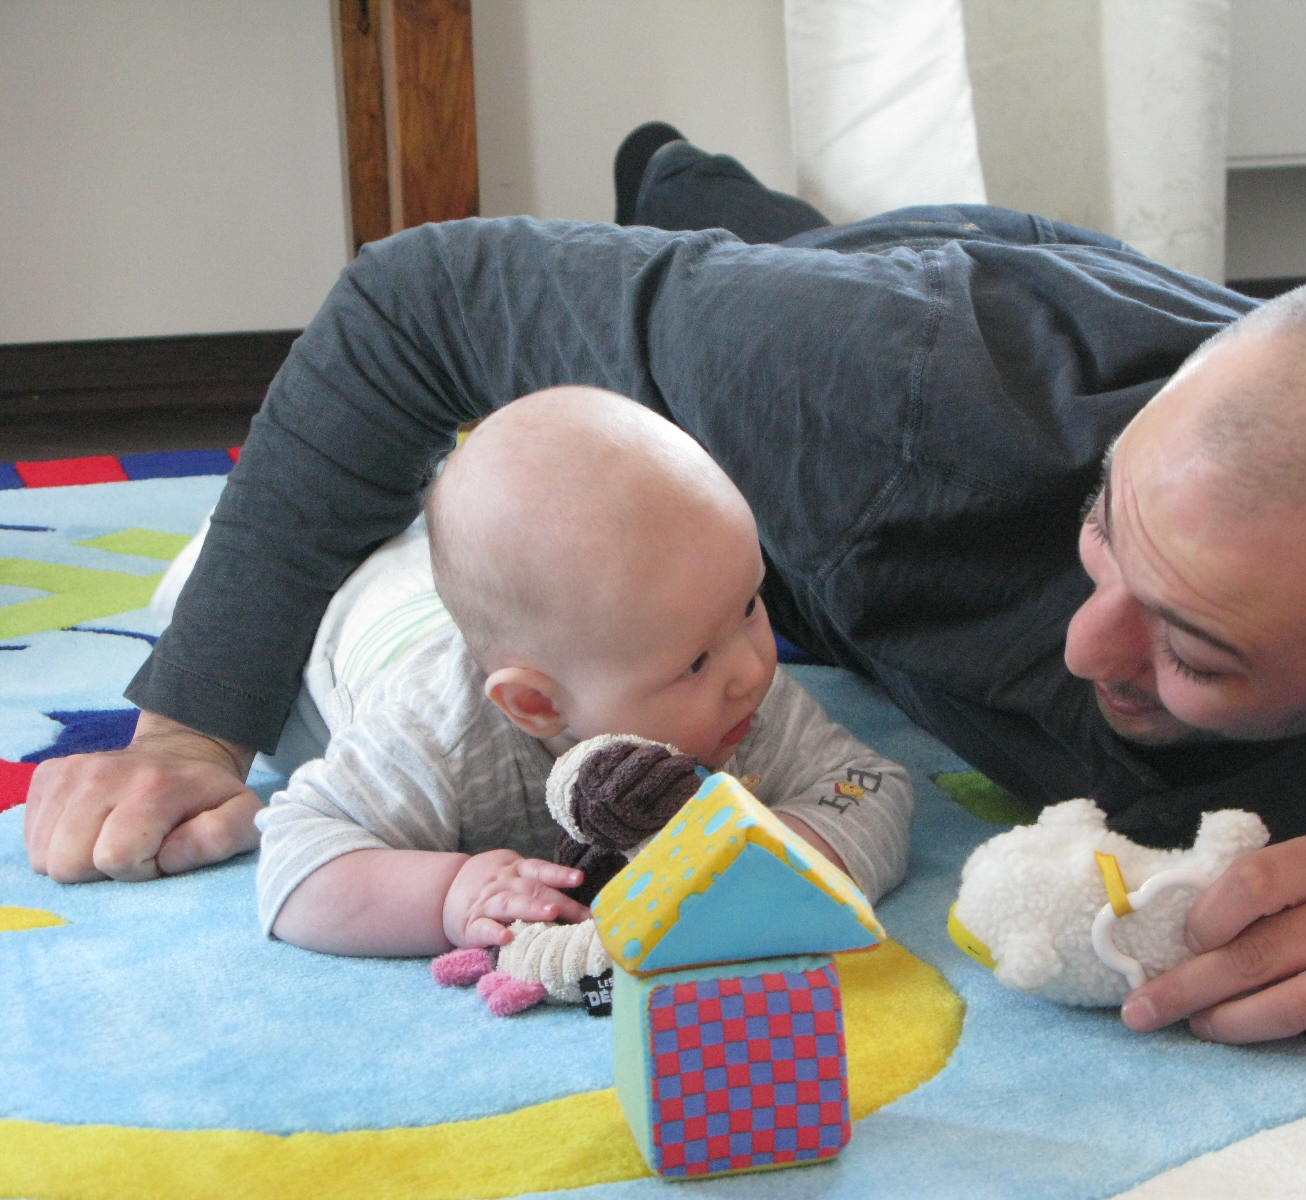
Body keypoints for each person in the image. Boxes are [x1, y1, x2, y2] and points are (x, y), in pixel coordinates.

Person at [24, 128, 1306, 1039]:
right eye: (1107, 533)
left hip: (919, 397)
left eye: (1192, 644)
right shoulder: (901, 399)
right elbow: (416, 304)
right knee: (785, 291)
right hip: (922, 338)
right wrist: (191, 728)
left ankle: (709, 196)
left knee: (785, 280)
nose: (1084, 639)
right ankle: (687, 187)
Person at [231, 385, 912, 955]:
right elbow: (297, 858)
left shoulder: (731, 686)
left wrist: (782, 855)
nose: (753, 669)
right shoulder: (435, 739)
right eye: (696, 663)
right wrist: (450, 892)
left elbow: (867, 784)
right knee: (260, 589)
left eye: (749, 606)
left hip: (499, 606)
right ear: (536, 705)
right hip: (351, 626)